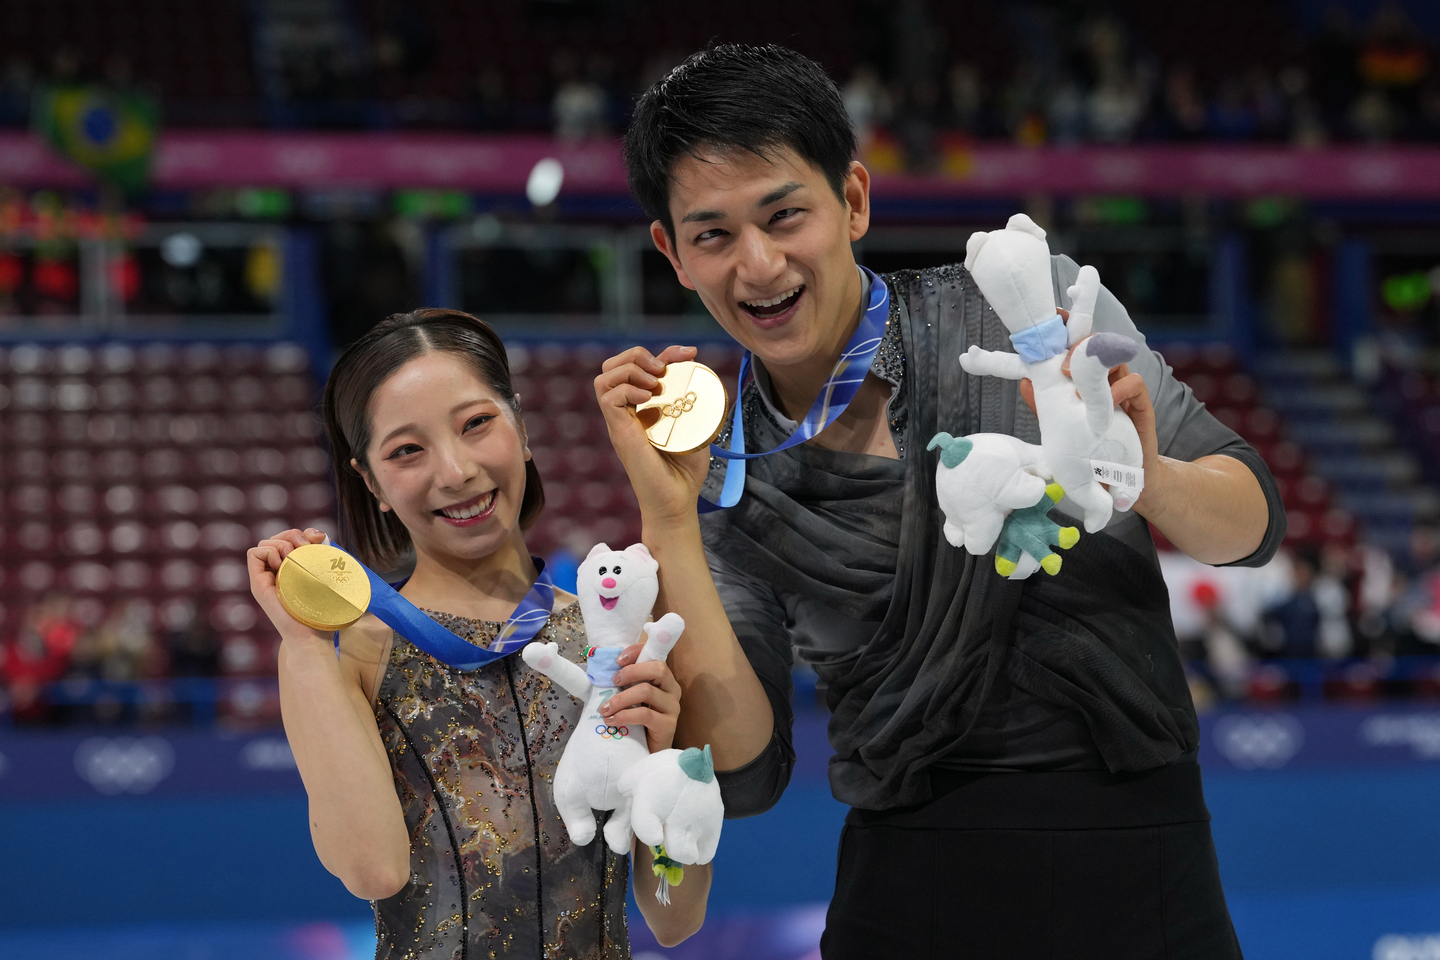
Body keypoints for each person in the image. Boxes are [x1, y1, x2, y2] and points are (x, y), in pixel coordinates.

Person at [595, 44, 1285, 959]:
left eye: (784, 214)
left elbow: (1254, 525)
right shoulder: (723, 479)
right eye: (713, 234)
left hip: (1143, 860)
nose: (758, 266)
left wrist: (1146, 476)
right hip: (908, 887)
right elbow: (747, 772)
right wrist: (669, 519)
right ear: (672, 253)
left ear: (853, 200)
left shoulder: (1025, 304)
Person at [247, 309, 709, 959]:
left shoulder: (613, 636)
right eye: (407, 450)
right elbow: (372, 869)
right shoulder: (353, 654)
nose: (456, 471)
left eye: (476, 424)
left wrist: (665, 768)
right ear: (371, 482)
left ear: (521, 427)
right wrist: (302, 648)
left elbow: (674, 917)